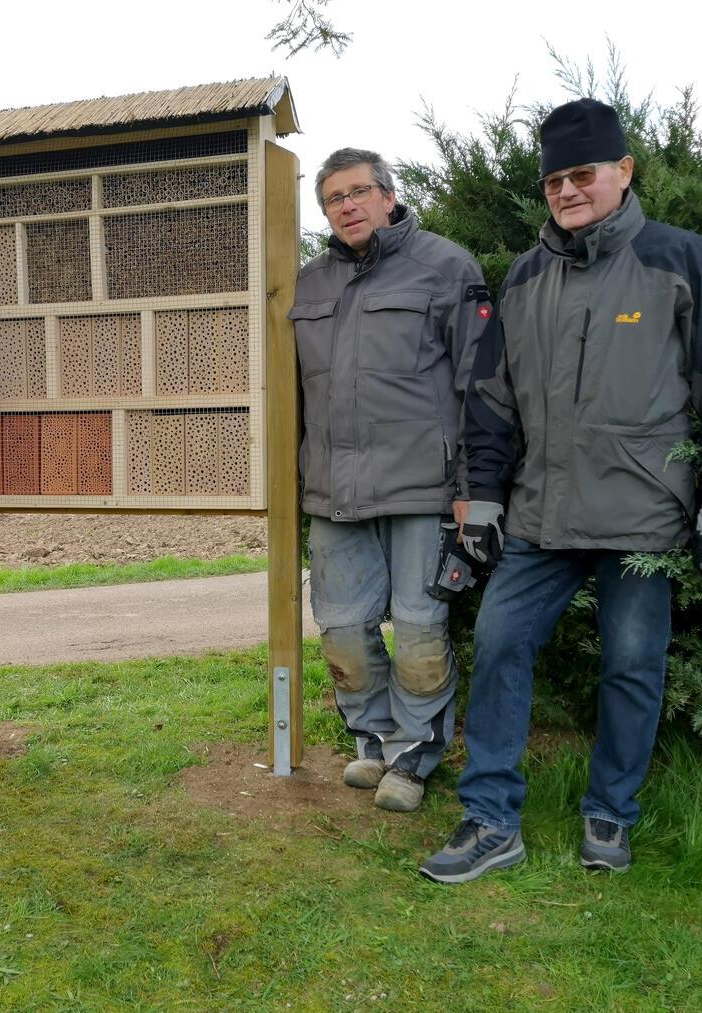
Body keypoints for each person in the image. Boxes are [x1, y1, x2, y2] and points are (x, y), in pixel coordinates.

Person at [420, 99, 702, 883]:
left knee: (631, 664)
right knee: (502, 643)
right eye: (553, 179)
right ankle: (490, 818)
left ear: (624, 171)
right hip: (539, 518)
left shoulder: (682, 260)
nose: (566, 190)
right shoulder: (524, 275)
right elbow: (489, 399)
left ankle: (610, 813)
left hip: (645, 517)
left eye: (582, 174)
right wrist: (481, 504)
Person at [288, 148, 491, 811]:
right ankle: (372, 742)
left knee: (420, 632)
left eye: (357, 192)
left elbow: (477, 386)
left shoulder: (446, 266)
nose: (346, 205)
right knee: (342, 630)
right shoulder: (308, 284)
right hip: (333, 492)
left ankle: (415, 755)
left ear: (387, 195)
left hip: (422, 490)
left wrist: (471, 488)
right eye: (332, 198)